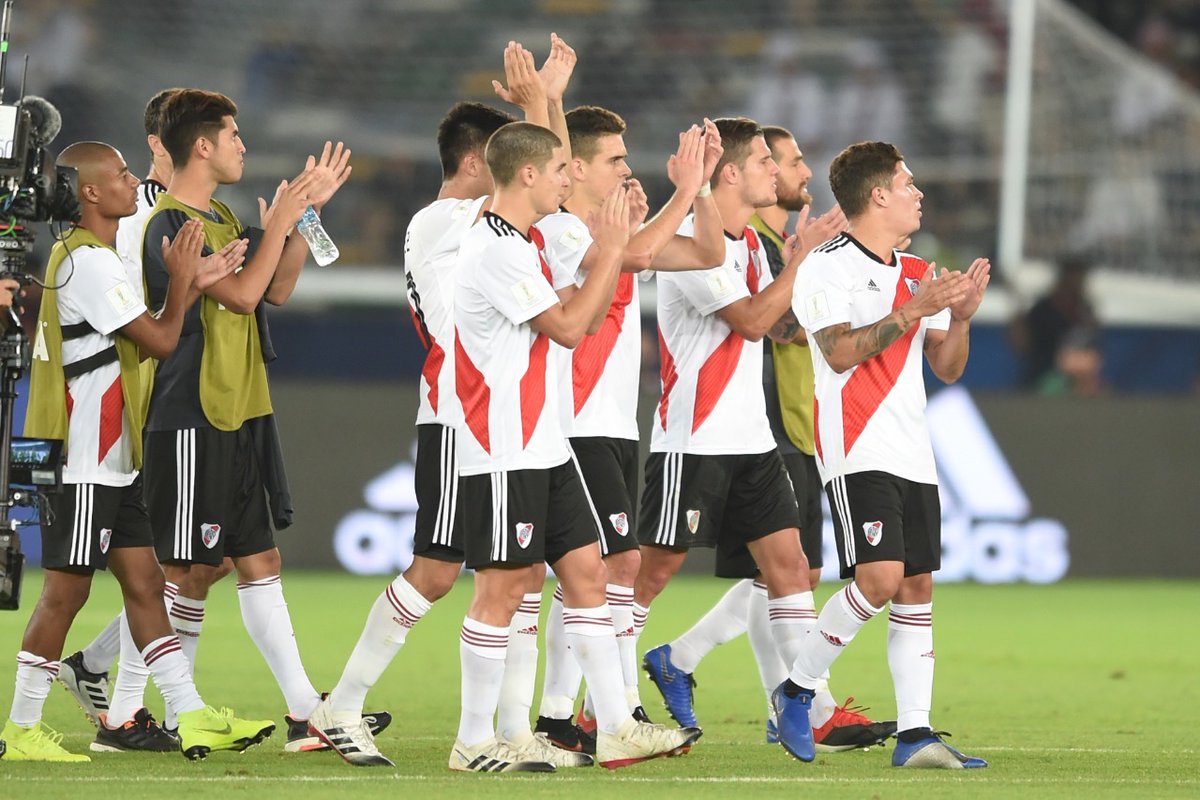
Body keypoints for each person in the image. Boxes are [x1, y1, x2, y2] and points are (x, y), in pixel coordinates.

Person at [307, 37, 589, 768]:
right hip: (463, 417)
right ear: (477, 164)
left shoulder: (489, 229)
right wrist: (538, 108)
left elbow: (553, 198)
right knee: (446, 571)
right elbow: (455, 326)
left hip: (491, 420)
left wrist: (547, 106)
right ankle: (346, 707)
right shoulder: (445, 225)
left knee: (514, 572)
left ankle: (511, 731)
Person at [5, 140, 272, 762]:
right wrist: (185, 284)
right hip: (85, 460)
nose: (133, 181)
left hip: (114, 460)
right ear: (91, 194)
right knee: (65, 594)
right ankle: (19, 728)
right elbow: (158, 340)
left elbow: (135, 331)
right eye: (121, 175)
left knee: (146, 585)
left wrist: (194, 281)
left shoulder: (90, 257)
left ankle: (192, 714)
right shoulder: (89, 263)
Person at [136, 88, 385, 752]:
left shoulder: (217, 212)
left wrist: (302, 221)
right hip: (191, 413)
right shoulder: (168, 224)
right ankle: (145, 711)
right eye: (234, 134)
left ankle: (306, 711)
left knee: (259, 558)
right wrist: (280, 222)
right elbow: (244, 298)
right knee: (186, 571)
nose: (243, 144)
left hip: (239, 410)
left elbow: (274, 286)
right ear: (202, 146)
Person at [449, 121, 699, 772]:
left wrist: (608, 252)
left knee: (588, 575)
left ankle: (613, 724)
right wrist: (614, 248)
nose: (568, 180)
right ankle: (473, 740)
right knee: (502, 591)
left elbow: (571, 310)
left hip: (547, 443)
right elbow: (566, 327)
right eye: (558, 169)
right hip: (504, 444)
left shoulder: (524, 243)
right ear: (527, 174)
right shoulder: (494, 250)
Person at [641, 126, 895, 752]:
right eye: (763, 160)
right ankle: (599, 703)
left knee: (791, 569)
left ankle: (805, 704)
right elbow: (754, 321)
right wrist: (803, 261)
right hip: (693, 440)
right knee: (645, 576)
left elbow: (780, 324)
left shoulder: (752, 246)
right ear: (731, 174)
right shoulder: (700, 249)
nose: (776, 172)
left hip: (752, 439)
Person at [776, 140, 990, 768]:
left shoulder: (922, 271)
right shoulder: (826, 266)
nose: (918, 193)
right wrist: (911, 310)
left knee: (916, 585)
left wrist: (964, 319)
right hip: (855, 444)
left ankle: (916, 735)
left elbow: (946, 368)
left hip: (912, 449)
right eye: (907, 183)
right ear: (877, 196)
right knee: (878, 578)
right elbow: (839, 352)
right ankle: (796, 689)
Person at [531, 107, 727, 750]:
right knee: (612, 564)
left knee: (590, 571)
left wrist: (699, 192)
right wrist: (680, 189)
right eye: (615, 158)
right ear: (577, 166)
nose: (625, 167)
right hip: (577, 420)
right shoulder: (560, 227)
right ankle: (604, 716)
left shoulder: (609, 228)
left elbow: (708, 250)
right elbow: (636, 253)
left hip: (615, 421)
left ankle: (566, 715)